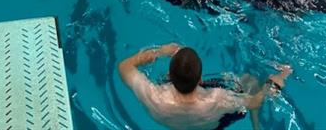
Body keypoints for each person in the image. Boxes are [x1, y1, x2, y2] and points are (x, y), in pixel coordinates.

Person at [119, 44, 292, 130]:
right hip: (209, 121)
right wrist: (275, 82)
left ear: (171, 77)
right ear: (201, 79)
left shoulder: (153, 95)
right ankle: (256, 127)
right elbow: (255, 102)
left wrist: (159, 51)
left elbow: (124, 67)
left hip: (168, 118)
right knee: (250, 81)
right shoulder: (218, 98)